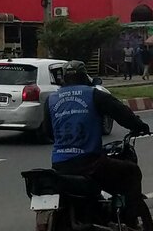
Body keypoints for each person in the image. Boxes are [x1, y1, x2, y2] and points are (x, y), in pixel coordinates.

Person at [44, 60, 150, 221]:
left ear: (64, 79)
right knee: (131, 172)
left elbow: (48, 132)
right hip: (90, 164)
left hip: (60, 166)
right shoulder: (94, 95)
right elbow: (122, 114)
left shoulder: (51, 100)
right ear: (84, 77)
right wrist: (139, 126)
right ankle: (130, 220)